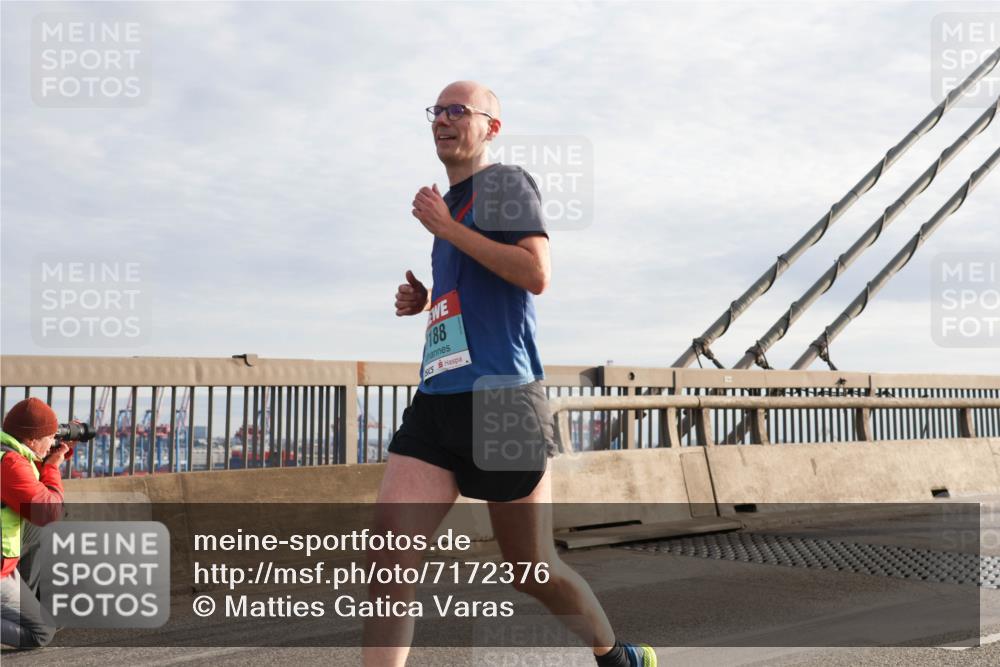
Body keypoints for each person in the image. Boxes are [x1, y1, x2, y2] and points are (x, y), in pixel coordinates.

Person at [361, 81, 656, 667]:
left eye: (458, 111)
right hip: (437, 402)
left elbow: (535, 272)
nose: (443, 120)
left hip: (501, 404)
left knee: (531, 568)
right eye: (436, 111)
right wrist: (426, 298)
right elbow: (474, 289)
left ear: (491, 128)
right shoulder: (453, 210)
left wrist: (447, 230)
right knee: (389, 555)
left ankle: (614, 655)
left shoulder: (504, 185)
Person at [1, 397, 69, 649]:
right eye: (49, 436)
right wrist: (52, 468)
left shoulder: (8, 454)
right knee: (41, 634)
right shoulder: (9, 464)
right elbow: (47, 511)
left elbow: (28, 483)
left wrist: (51, 457)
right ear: (30, 440)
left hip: (5, 564)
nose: (53, 441)